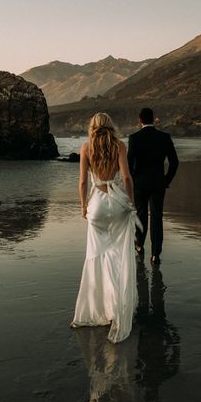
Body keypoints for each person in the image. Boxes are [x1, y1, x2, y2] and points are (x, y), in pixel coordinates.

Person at [71, 112, 141, 343]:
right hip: (118, 203)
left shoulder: (86, 147)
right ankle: (118, 306)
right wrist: (131, 202)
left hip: (98, 205)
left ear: (92, 127)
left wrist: (83, 207)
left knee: (97, 257)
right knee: (119, 254)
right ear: (110, 126)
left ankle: (101, 308)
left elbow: (82, 181)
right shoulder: (119, 145)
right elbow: (128, 178)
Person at [127, 108, 179, 265]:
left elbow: (129, 163)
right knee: (157, 217)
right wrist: (166, 180)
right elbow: (174, 162)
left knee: (141, 214)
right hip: (158, 183)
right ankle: (156, 254)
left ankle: (139, 245)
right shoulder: (164, 137)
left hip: (140, 183)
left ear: (140, 120)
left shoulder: (134, 138)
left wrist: (134, 179)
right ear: (153, 119)